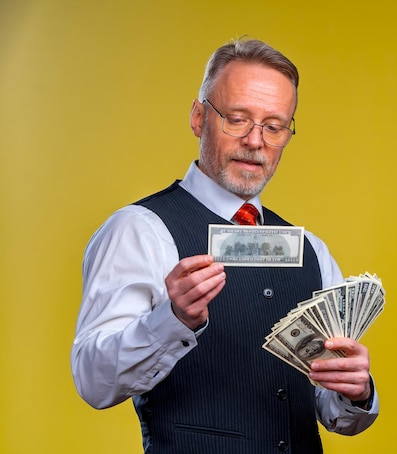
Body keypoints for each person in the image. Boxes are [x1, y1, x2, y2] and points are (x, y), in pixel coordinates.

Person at [71, 37, 379, 453]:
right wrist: (173, 318)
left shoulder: (311, 250)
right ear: (199, 118)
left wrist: (354, 391)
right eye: (237, 119)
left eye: (274, 126)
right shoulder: (140, 230)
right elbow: (94, 381)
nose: (255, 142)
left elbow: (333, 414)